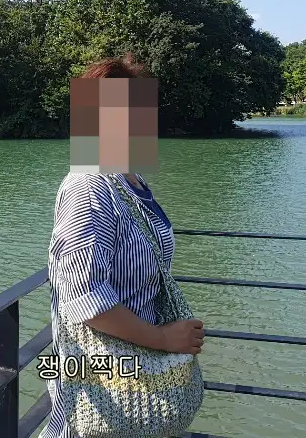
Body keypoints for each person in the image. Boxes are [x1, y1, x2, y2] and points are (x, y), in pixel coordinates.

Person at [41, 54, 206, 438]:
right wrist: (163, 338)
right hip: (103, 378)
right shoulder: (88, 184)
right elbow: (83, 299)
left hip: (138, 366)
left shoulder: (130, 179)